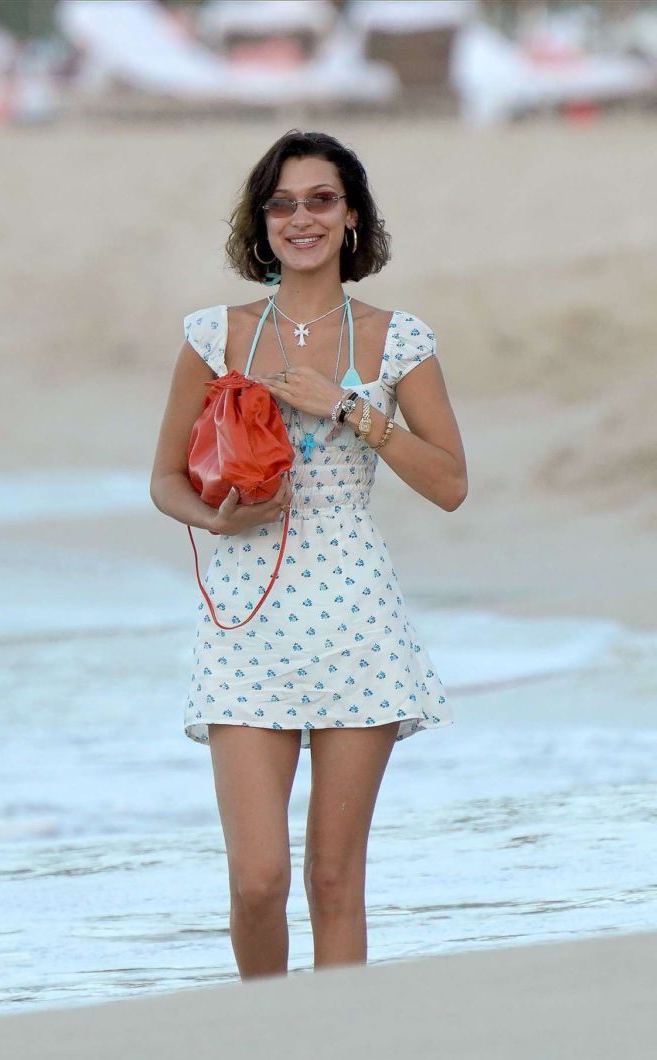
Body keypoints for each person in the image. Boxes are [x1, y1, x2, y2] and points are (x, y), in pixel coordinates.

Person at [150, 129, 467, 981]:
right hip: (245, 619)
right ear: (261, 222)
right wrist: (222, 523)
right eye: (283, 202)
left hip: (356, 616)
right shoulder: (216, 334)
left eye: (321, 199)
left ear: (353, 218)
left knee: (334, 879)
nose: (302, 218)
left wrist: (351, 410)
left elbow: (449, 483)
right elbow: (164, 481)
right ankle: (268, 1043)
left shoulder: (398, 340)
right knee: (257, 880)